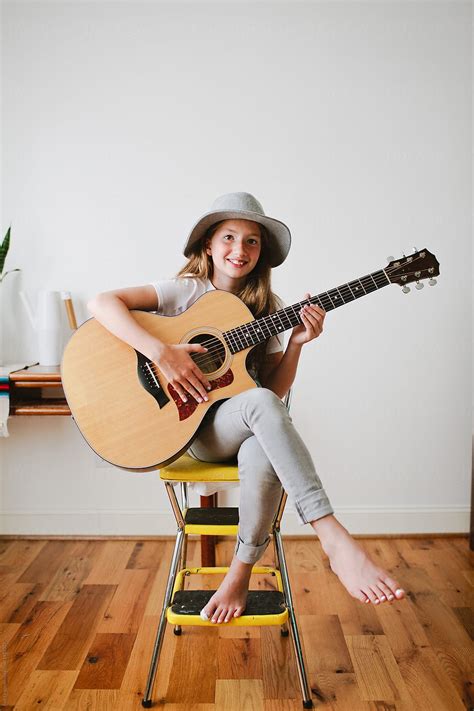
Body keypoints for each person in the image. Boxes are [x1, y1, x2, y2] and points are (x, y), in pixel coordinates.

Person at [88, 192, 405, 624]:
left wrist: (295, 345)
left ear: (263, 253)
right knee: (258, 410)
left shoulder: (269, 310)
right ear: (207, 246)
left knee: (261, 444)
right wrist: (162, 353)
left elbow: (271, 399)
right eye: (229, 238)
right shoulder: (186, 291)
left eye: (252, 241)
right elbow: (101, 302)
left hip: (235, 426)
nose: (240, 250)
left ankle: (239, 575)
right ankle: (332, 536)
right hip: (188, 430)